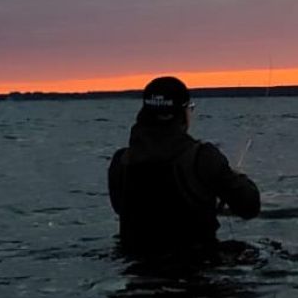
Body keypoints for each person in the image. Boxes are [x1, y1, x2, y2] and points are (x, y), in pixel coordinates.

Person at [108, 76, 260, 258]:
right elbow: (250, 206)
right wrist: (236, 178)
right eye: (190, 108)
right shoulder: (203, 157)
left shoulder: (121, 161)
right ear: (182, 113)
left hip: (136, 271)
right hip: (195, 271)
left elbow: (121, 208)